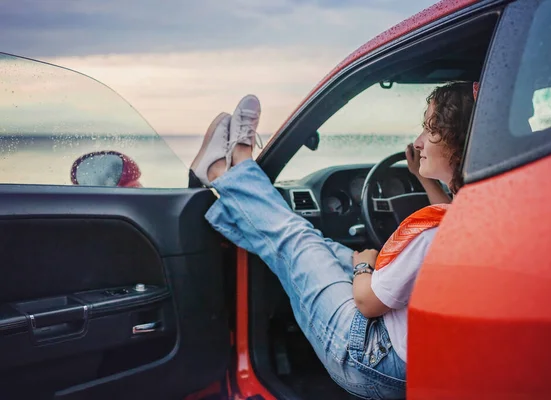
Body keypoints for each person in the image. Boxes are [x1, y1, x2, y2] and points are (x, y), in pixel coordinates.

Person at [191, 81, 476, 399]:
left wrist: (363, 268)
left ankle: (226, 170)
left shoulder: (430, 236)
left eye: (430, 129)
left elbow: (368, 303)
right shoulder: (478, 214)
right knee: (317, 246)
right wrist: (424, 179)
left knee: (296, 239)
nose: (419, 141)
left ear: (458, 145)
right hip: (416, 360)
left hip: (372, 361)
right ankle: (233, 188)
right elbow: (448, 214)